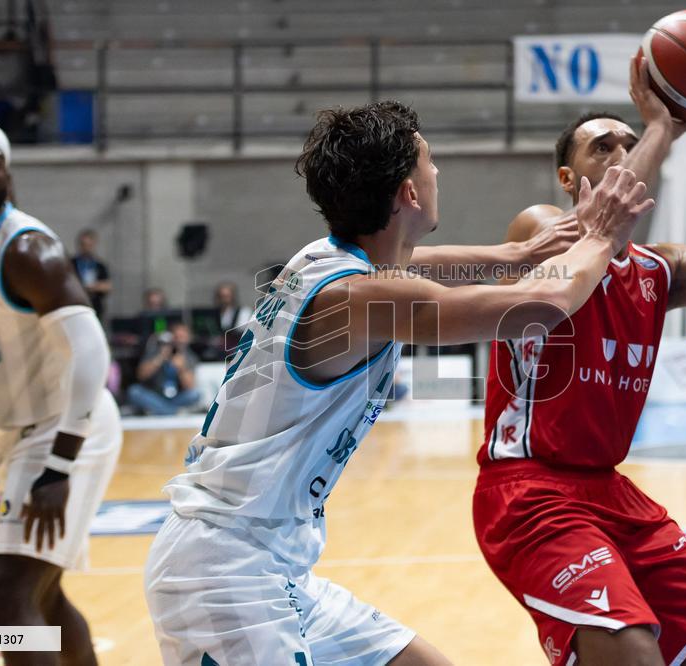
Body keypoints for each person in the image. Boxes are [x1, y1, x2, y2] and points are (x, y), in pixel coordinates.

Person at [143, 99, 654, 665]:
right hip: (225, 577)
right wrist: (600, 236)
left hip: (270, 563)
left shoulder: (323, 259)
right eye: (430, 162)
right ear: (410, 193)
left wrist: (518, 252)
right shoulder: (364, 299)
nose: (438, 172)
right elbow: (541, 306)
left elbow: (425, 263)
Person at [472, 57, 686, 666]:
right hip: (531, 493)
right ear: (567, 177)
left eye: (630, 142)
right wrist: (660, 128)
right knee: (633, 654)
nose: (622, 152)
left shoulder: (657, 270)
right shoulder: (539, 230)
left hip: (613, 493)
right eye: (603, 147)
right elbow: (601, 234)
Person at [0, 120, 122, 666]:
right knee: (44, 595)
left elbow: (92, 352)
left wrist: (59, 465)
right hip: (15, 435)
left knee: (6, 593)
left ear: (8, 178)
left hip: (64, 430)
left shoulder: (29, 250)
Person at [128, 322, 202, 416]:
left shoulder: (190, 356)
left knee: (195, 394)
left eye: (183, 337)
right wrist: (160, 358)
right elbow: (141, 375)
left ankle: (160, 410)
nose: (180, 340)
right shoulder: (155, 350)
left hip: (176, 397)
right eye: (177, 337)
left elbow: (190, 386)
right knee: (134, 391)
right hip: (155, 395)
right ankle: (173, 411)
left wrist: (181, 368)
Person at [71, 228, 112, 321]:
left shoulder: (99, 265)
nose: (86, 248)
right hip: (76, 306)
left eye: (89, 245)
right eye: (83, 245)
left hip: (95, 306)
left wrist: (92, 287)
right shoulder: (71, 264)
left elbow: (107, 286)